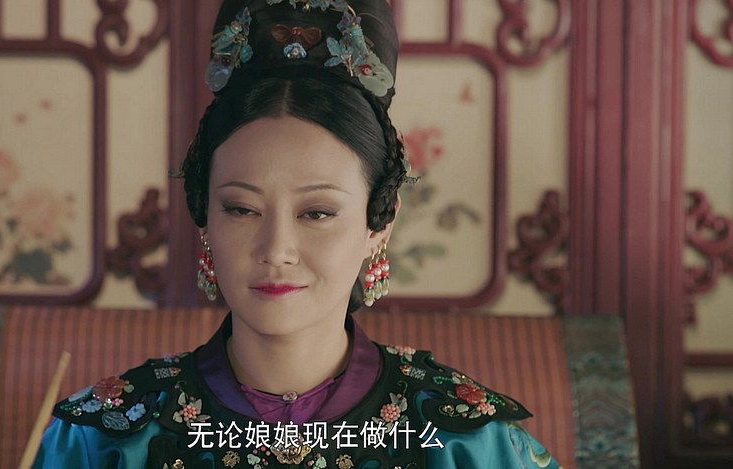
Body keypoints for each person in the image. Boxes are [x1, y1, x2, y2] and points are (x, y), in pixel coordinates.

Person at [35, 1, 560, 467]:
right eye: (242, 209)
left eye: (318, 213)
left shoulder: (464, 439)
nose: (276, 250)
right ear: (203, 215)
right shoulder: (105, 436)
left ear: (379, 221)